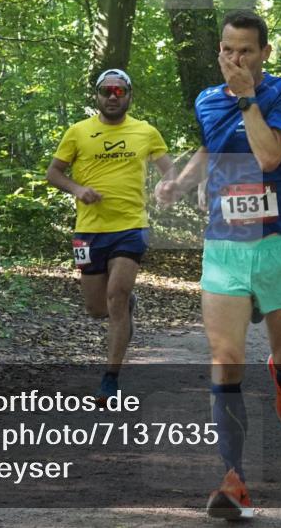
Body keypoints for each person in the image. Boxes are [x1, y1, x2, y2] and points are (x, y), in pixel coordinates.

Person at [156, 9, 281, 520]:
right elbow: (210, 145)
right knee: (224, 359)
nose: (234, 58)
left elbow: (269, 157)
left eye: (245, 50)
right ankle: (234, 481)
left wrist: (247, 97)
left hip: (279, 242)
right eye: (227, 50)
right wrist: (180, 181)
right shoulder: (205, 99)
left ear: (265, 52)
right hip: (224, 245)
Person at [46, 69, 176, 403]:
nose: (113, 97)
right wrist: (77, 189)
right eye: (107, 91)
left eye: (119, 91)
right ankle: (126, 305)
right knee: (95, 308)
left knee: (115, 295)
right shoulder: (78, 132)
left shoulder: (145, 132)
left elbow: (169, 171)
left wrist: (168, 185)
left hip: (131, 227)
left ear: (129, 95)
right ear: (97, 96)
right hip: (89, 231)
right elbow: (53, 173)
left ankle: (110, 377)